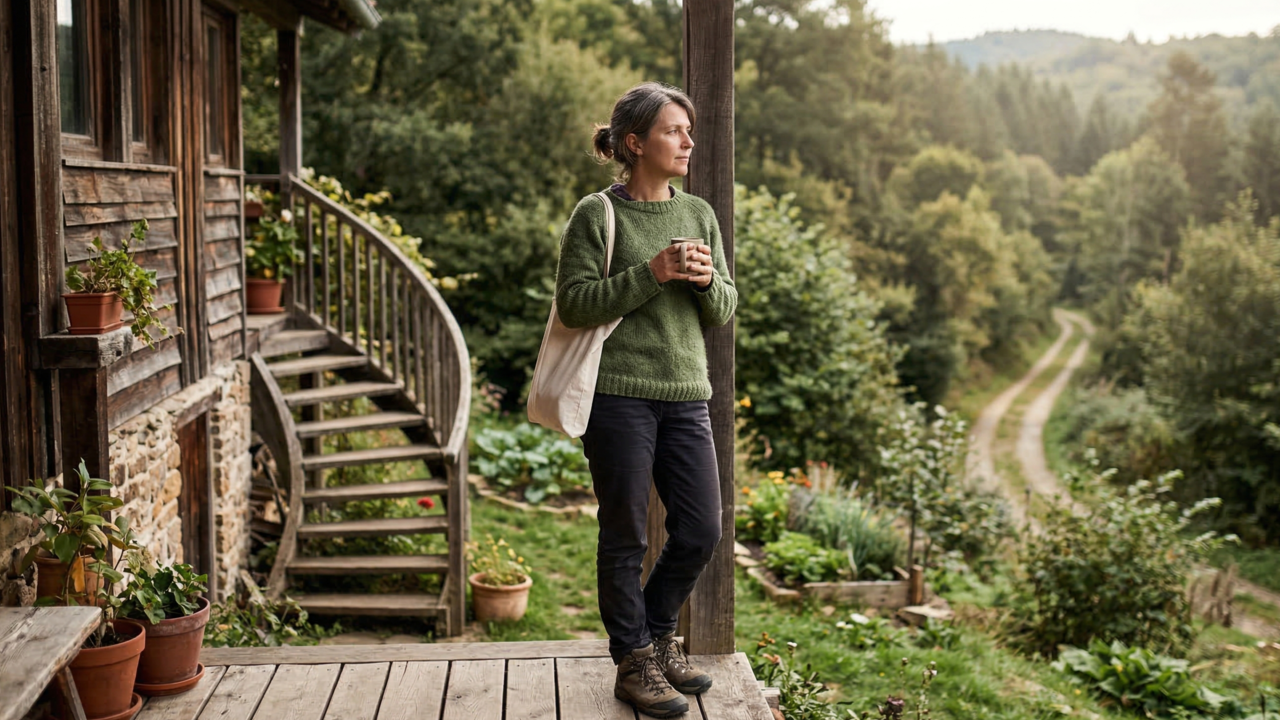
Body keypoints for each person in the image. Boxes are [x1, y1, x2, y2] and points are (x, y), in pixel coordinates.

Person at [552, 81, 737, 718]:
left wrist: (707, 282)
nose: (687, 142)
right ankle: (633, 661)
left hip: (686, 395)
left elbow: (724, 308)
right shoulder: (596, 215)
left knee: (702, 528)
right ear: (635, 143)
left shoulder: (699, 213)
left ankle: (656, 636)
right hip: (617, 397)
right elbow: (574, 304)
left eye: (688, 130)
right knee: (625, 534)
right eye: (672, 131)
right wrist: (651, 274)